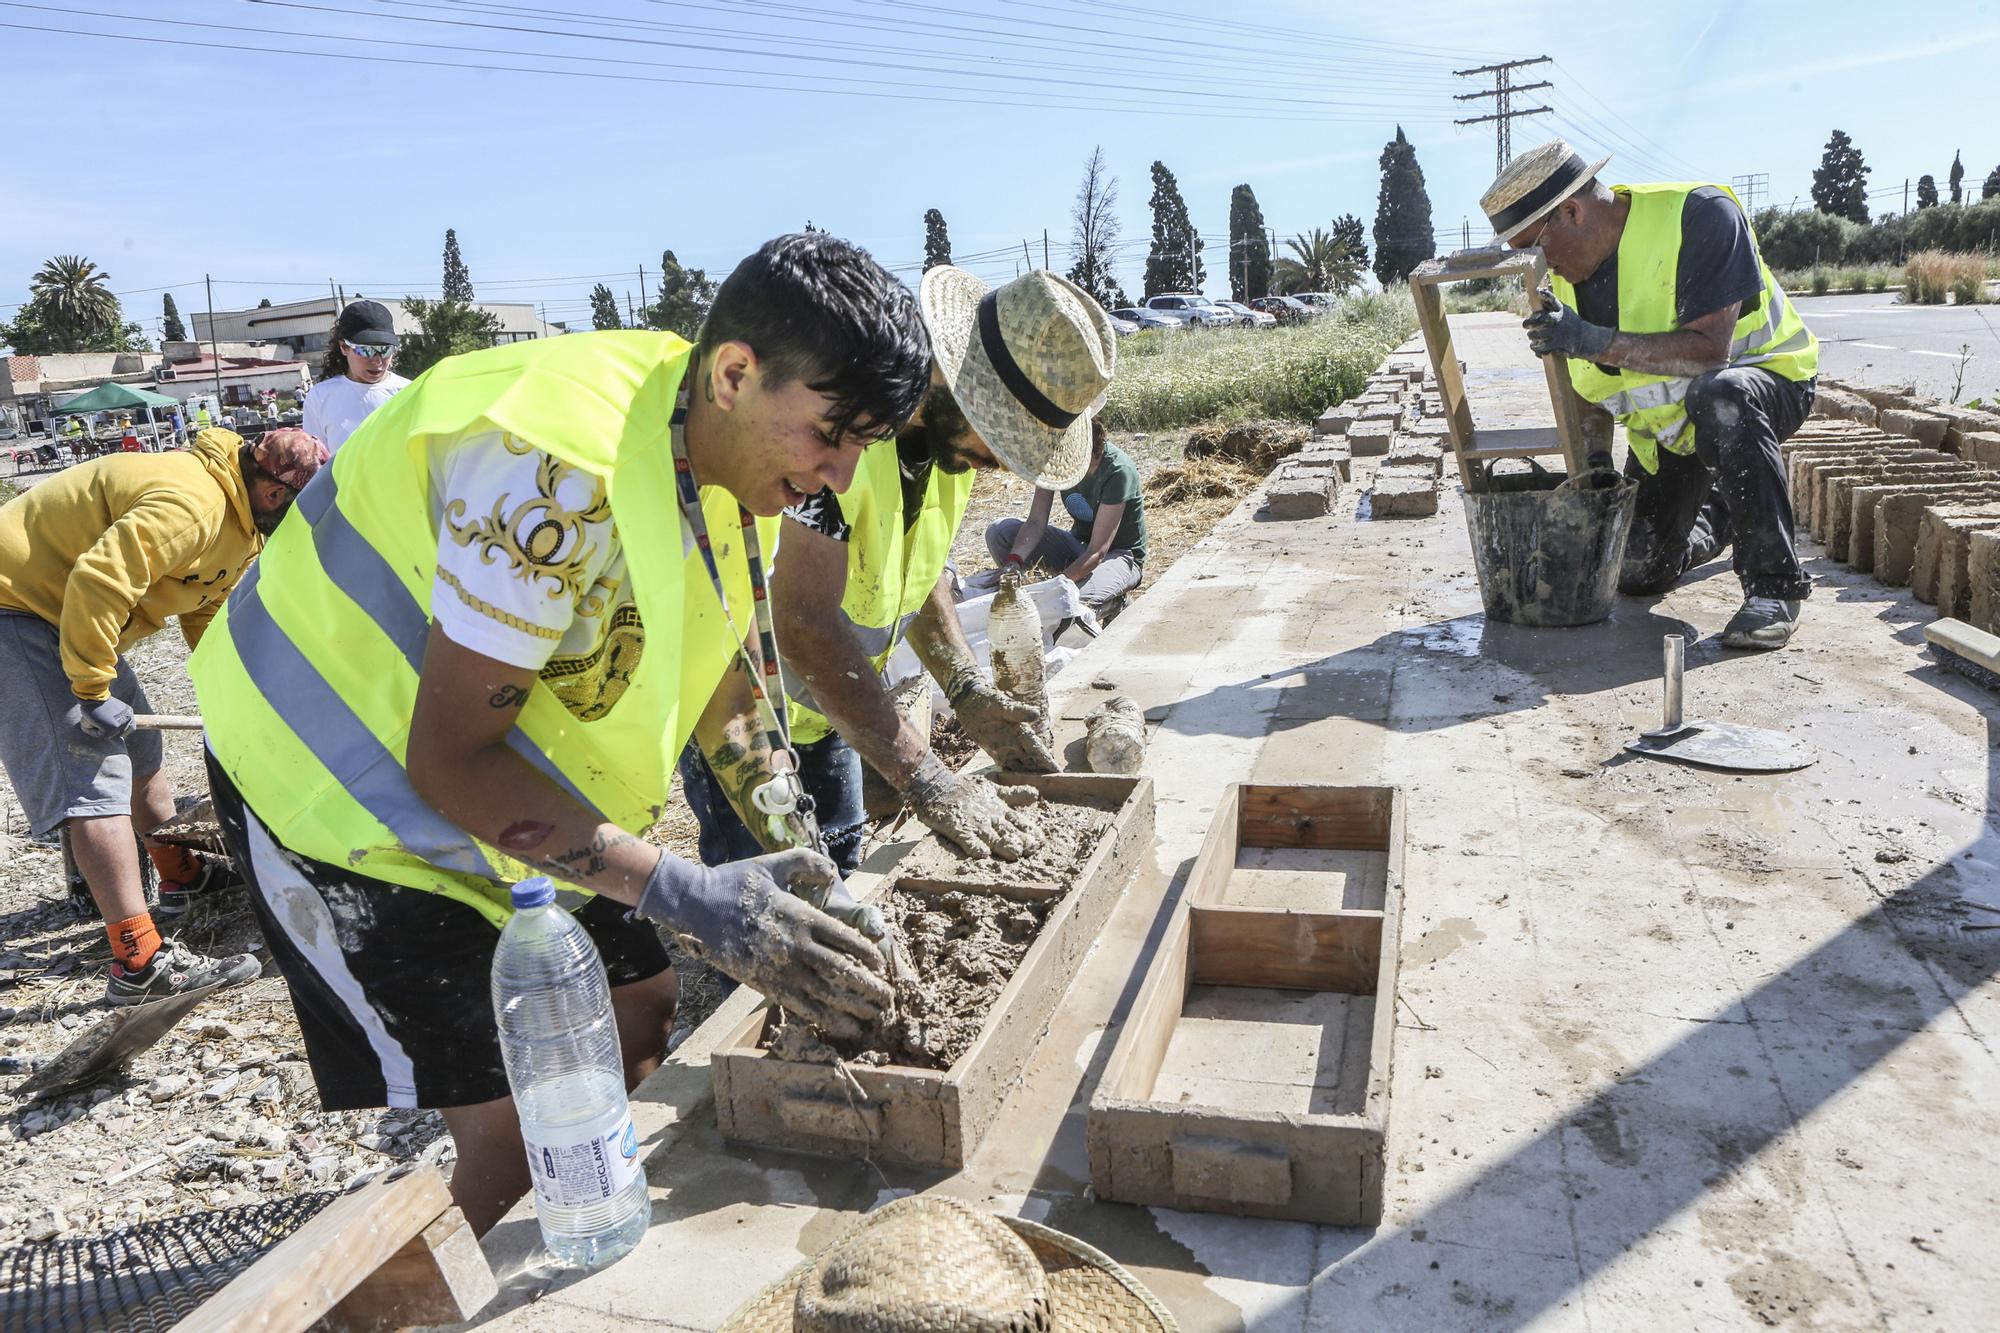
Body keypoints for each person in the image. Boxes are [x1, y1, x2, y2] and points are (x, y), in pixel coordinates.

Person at [189, 233, 926, 1235]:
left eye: (860, 448)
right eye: (828, 435)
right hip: (334, 793)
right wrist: (677, 887)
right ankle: (417, 1292)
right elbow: (452, 761)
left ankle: (585, 1224)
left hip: (500, 779)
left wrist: (797, 863)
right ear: (736, 372)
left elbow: (722, 680)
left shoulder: (713, 451)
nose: (838, 475)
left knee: (638, 1006)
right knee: (509, 1137)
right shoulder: (551, 475)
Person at [681, 267, 1116, 874]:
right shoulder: (832, 437)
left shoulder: (949, 455)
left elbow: (922, 575)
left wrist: (965, 687)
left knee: (843, 872)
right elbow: (801, 623)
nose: (996, 461)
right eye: (998, 435)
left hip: (835, 711)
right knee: (770, 903)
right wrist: (926, 776)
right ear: (950, 378)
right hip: (746, 723)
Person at [0, 427, 327, 1006]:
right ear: (276, 493)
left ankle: (180, 875)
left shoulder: (242, 524)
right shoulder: (193, 503)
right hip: (17, 606)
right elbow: (100, 579)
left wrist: (239, 697)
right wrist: (92, 687)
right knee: (91, 779)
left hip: (67, 614)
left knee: (142, 753)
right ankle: (138, 961)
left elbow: (209, 614)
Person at [1484, 139, 1819, 649]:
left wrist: (1592, 340)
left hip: (1763, 385)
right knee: (1637, 569)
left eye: (1534, 247)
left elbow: (1710, 352)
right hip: (1671, 428)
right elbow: (1588, 392)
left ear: (1571, 212)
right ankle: (1725, 513)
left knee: (1721, 396)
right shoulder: (1565, 283)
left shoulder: (1699, 215)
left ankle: (1774, 587)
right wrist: (1594, 469)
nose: (1539, 267)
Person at [983, 415, 1145, 614]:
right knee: (1000, 532)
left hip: (1119, 558)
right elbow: (1035, 522)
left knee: (1073, 599)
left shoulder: (1117, 471)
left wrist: (1055, 586)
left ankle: (1115, 604)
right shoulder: (1058, 461)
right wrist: (1014, 562)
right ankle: (1025, 589)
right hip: (1079, 547)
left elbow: (1098, 551)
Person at [302, 299, 411, 452]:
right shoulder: (320, 397)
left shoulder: (410, 392)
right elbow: (315, 462)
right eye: (366, 350)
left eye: (385, 350)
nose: (377, 360)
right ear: (344, 347)